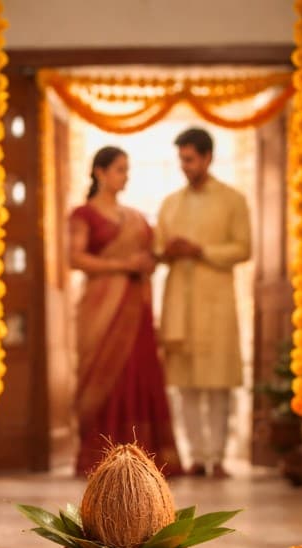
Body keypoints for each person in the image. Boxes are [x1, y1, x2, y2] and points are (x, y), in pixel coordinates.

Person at [68, 146, 182, 477]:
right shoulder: (83, 215)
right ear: (99, 172)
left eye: (127, 169)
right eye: (119, 169)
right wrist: (123, 265)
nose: (125, 175)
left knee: (139, 372)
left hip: (136, 307)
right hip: (101, 309)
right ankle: (100, 454)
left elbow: (149, 254)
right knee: (104, 376)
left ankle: (145, 456)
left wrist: (152, 260)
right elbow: (75, 258)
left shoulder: (135, 217)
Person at [155, 127, 251, 478]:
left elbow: (243, 248)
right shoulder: (171, 203)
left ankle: (218, 457)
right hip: (179, 300)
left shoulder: (232, 200)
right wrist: (168, 251)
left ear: (208, 157)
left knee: (219, 382)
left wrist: (202, 250)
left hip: (216, 301)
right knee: (187, 383)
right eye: (181, 159)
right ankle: (196, 456)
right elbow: (157, 247)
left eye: (190, 159)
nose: (185, 166)